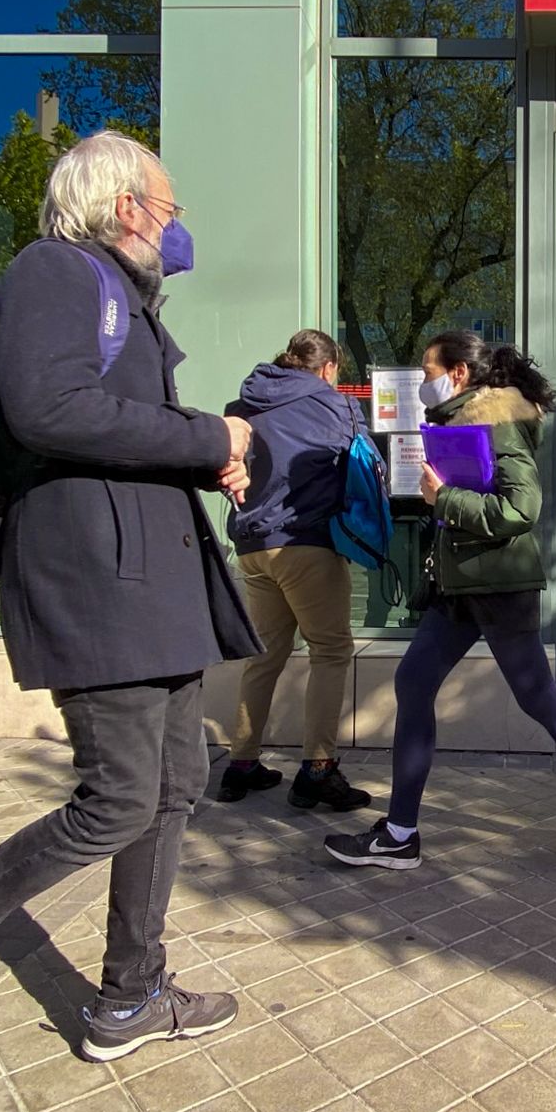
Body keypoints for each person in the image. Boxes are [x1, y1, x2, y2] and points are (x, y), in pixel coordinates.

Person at [0, 131, 262, 1086]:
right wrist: (209, 431)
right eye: (169, 206)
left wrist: (213, 454)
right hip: (94, 586)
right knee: (117, 798)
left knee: (171, 786)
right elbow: (48, 411)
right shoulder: (54, 271)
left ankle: (131, 992)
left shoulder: (125, 300)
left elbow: (116, 431)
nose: (175, 223)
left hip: (152, 586)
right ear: (126, 207)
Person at [324, 331, 556, 875]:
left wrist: (442, 497)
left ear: (459, 373)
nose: (424, 380)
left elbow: (523, 508)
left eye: (428, 370)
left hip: (501, 587)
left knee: (540, 701)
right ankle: (401, 834)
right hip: (462, 588)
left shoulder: (495, 419)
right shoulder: (458, 420)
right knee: (414, 682)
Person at [218, 329, 371, 812]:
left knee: (264, 656)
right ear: (328, 369)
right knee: (330, 651)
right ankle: (318, 770)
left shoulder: (243, 401)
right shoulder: (334, 405)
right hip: (306, 545)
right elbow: (366, 463)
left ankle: (240, 765)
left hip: (251, 546)